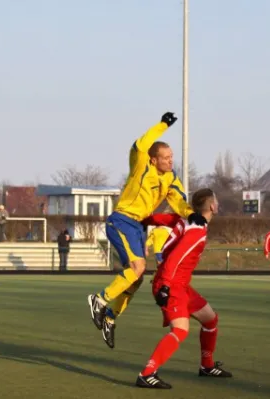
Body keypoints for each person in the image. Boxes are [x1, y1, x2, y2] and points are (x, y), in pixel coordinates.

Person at [87, 112, 206, 349]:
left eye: (172, 157)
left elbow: (179, 201)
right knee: (137, 268)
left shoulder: (170, 178)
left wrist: (189, 213)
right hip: (121, 220)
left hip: (139, 227)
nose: (171, 161)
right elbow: (140, 144)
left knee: (137, 277)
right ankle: (99, 299)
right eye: (166, 157)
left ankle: (110, 316)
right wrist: (163, 125)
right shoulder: (141, 164)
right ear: (154, 160)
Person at [135, 188, 232, 390]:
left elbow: (166, 218)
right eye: (216, 200)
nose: (218, 203)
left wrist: (145, 220)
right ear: (212, 207)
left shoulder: (186, 219)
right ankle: (147, 373)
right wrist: (166, 287)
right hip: (170, 283)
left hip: (180, 285)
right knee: (180, 330)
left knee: (210, 319)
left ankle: (207, 366)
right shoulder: (197, 231)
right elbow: (175, 257)